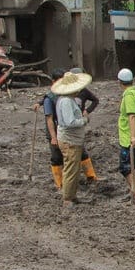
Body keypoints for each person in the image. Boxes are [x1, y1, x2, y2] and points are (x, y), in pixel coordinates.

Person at [34, 69, 98, 190]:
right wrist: (53, 137)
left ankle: (91, 176)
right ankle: (60, 184)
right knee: (57, 157)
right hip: (57, 130)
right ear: (54, 82)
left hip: (70, 132)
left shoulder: (66, 95)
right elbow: (49, 119)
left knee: (82, 153)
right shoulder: (50, 98)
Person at [50, 70, 93, 209]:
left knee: (74, 169)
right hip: (70, 140)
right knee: (71, 169)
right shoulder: (67, 102)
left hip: (71, 139)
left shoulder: (65, 100)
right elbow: (70, 122)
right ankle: (68, 198)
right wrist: (84, 120)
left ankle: (72, 195)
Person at [117, 68, 135, 205]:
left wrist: (132, 136)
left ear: (120, 82)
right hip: (133, 135)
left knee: (125, 167)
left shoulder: (128, 96)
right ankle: (133, 191)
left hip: (127, 137)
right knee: (132, 166)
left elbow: (132, 115)